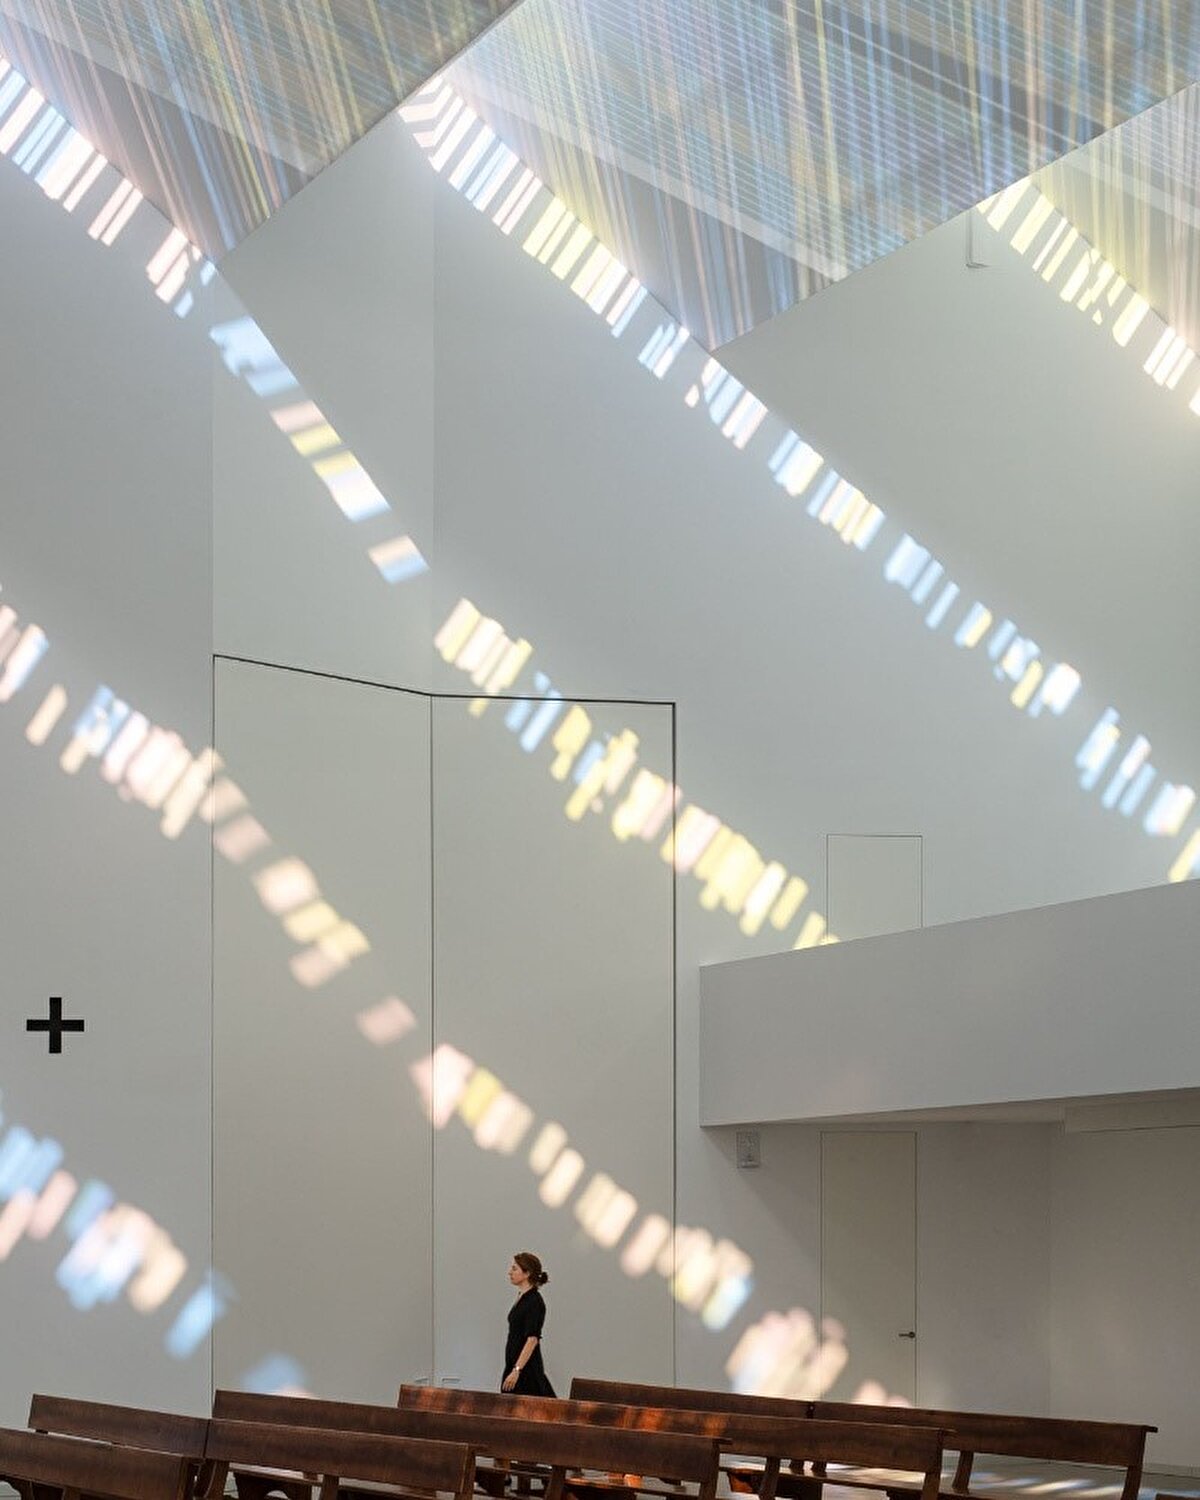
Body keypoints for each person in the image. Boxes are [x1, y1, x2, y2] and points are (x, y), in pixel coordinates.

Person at [501, 1251, 556, 1395]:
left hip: (526, 1371)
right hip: (514, 1366)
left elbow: (532, 1340)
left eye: (514, 1269)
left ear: (527, 1273)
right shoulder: (522, 1297)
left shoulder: (534, 1302)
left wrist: (517, 1370)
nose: (510, 1272)